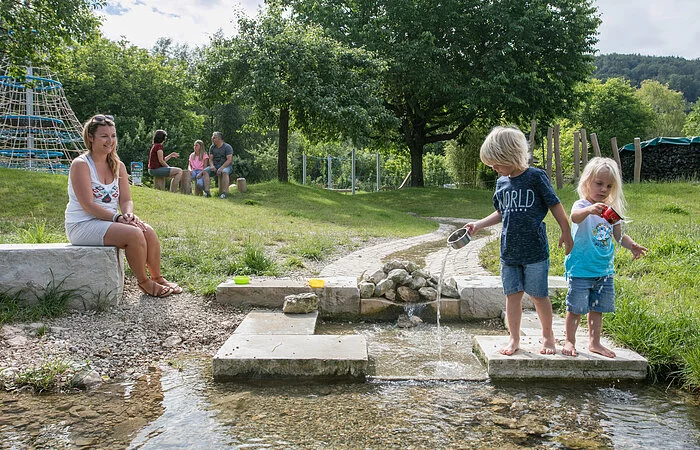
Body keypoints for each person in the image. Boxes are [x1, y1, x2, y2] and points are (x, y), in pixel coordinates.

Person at [464, 126, 573, 356]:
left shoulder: (536, 177)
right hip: (509, 252)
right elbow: (501, 213)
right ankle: (514, 338)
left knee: (538, 295)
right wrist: (478, 225)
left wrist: (565, 230)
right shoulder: (501, 183)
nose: (494, 170)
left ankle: (547, 336)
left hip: (535, 251)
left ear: (509, 156)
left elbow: (554, 203)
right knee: (512, 296)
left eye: (496, 164)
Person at [65, 114, 182, 298]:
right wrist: (117, 218)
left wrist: (128, 214)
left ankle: (158, 278)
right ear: (90, 137)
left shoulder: (118, 165)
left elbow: (126, 200)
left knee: (147, 230)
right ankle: (144, 283)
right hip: (82, 225)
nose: (109, 141)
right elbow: (88, 205)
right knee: (134, 234)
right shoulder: (81, 165)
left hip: (109, 222)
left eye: (113, 135)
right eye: (104, 136)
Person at [563, 157, 647, 358]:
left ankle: (595, 343)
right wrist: (590, 209)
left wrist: (631, 245)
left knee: (597, 308)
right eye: (599, 184)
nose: (603, 189)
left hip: (604, 270)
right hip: (582, 268)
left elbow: (618, 235)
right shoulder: (581, 204)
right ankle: (569, 340)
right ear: (586, 183)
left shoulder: (609, 211)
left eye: (609, 186)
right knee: (576, 308)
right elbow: (575, 217)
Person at [206, 131, 233, 199]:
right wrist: (211, 165)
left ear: (219, 139)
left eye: (214, 138)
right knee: (205, 171)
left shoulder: (227, 147)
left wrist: (221, 168)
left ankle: (224, 193)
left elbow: (229, 160)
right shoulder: (212, 147)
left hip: (226, 166)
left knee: (224, 172)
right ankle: (207, 192)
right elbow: (210, 159)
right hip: (215, 166)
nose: (212, 139)